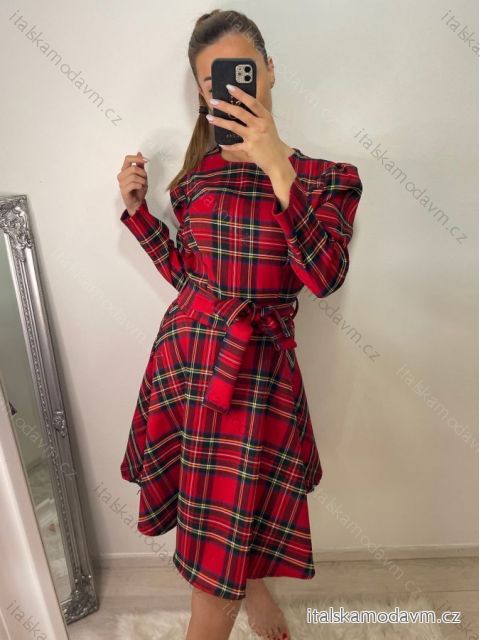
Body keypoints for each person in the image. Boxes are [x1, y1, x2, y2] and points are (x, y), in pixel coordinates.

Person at [116, 8, 363, 640]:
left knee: (229, 526)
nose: (228, 90)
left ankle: (247, 595)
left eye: (242, 72)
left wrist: (278, 166)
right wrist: (140, 214)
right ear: (203, 96)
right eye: (212, 82)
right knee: (216, 548)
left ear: (269, 72)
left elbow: (325, 275)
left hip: (258, 381)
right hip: (186, 363)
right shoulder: (196, 179)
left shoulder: (328, 181)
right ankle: (248, 595)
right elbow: (189, 275)